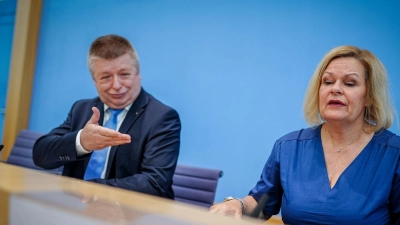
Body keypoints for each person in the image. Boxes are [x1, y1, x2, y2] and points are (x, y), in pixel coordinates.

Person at [210, 45, 400, 224]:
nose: (335, 89)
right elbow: (261, 203)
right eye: (327, 82)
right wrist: (237, 205)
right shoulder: (288, 147)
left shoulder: (394, 154)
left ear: (369, 97)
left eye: (350, 83)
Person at [33, 34, 181, 199]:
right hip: (75, 208)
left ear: (138, 72)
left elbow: (154, 183)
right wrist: (81, 142)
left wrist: (91, 189)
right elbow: (40, 155)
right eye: (106, 77)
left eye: (124, 74)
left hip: (131, 214)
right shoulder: (82, 109)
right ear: (94, 80)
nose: (116, 85)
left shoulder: (161, 117)